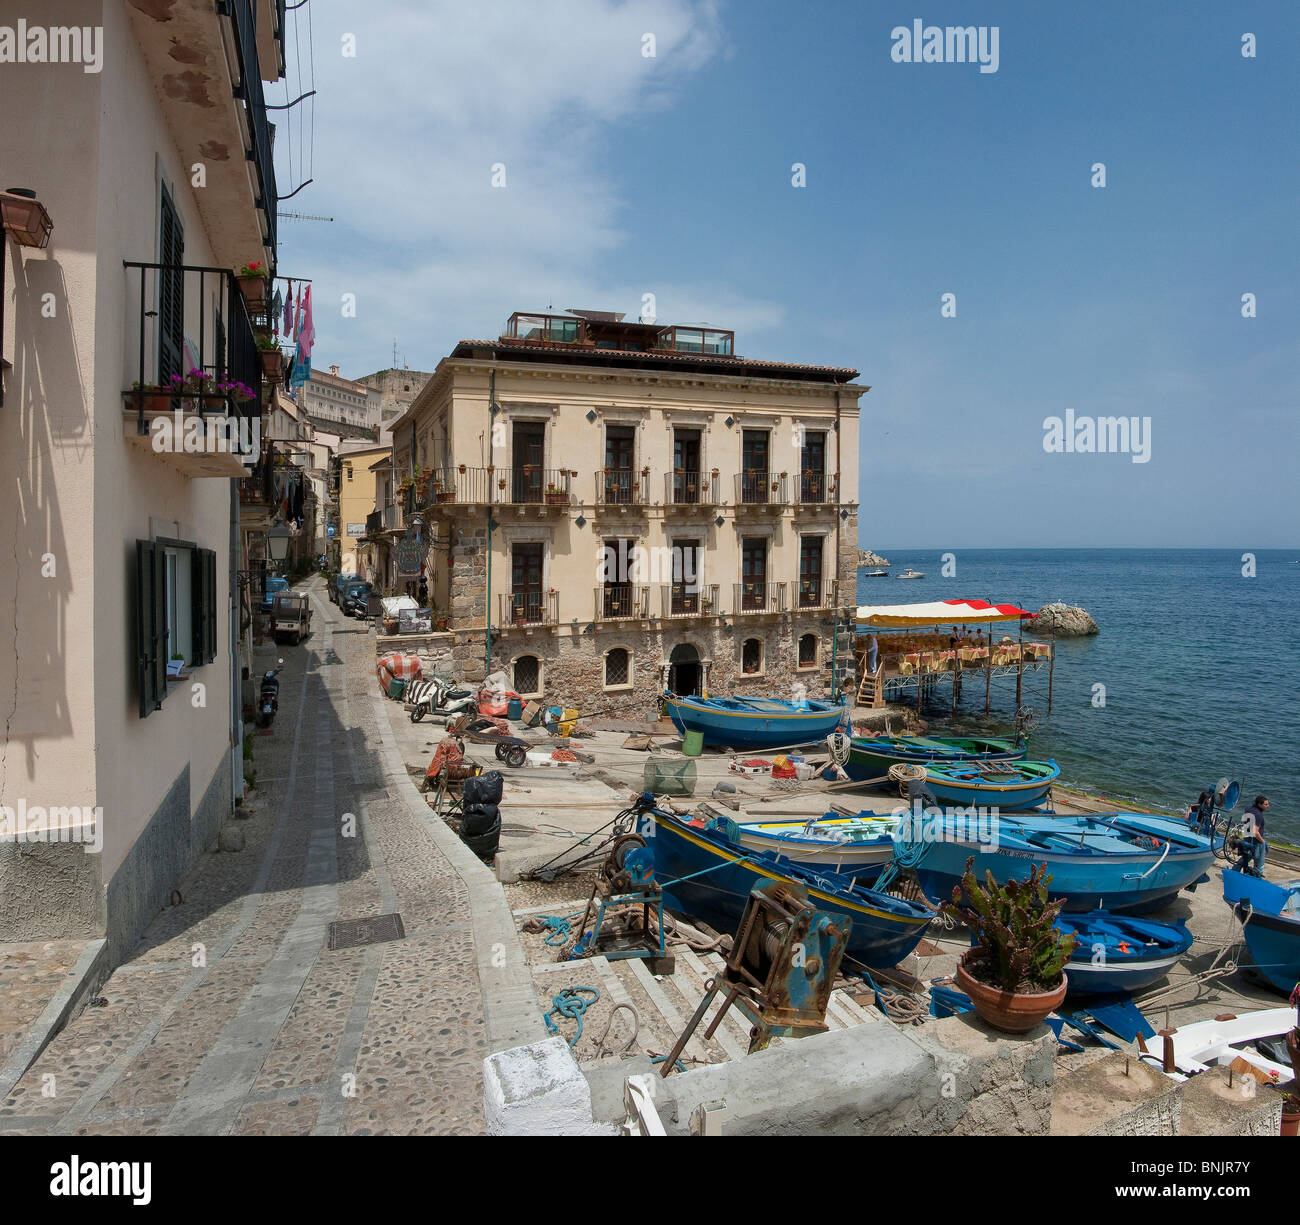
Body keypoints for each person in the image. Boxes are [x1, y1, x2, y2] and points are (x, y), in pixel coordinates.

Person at [1239, 795, 1270, 877]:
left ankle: (1235, 871)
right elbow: (1255, 832)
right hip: (1256, 840)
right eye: (1265, 804)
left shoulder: (1248, 809)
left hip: (1247, 837)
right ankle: (1257, 878)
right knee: (1259, 863)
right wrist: (1262, 841)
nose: (1268, 806)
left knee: (1246, 857)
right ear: (1259, 804)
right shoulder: (1258, 815)